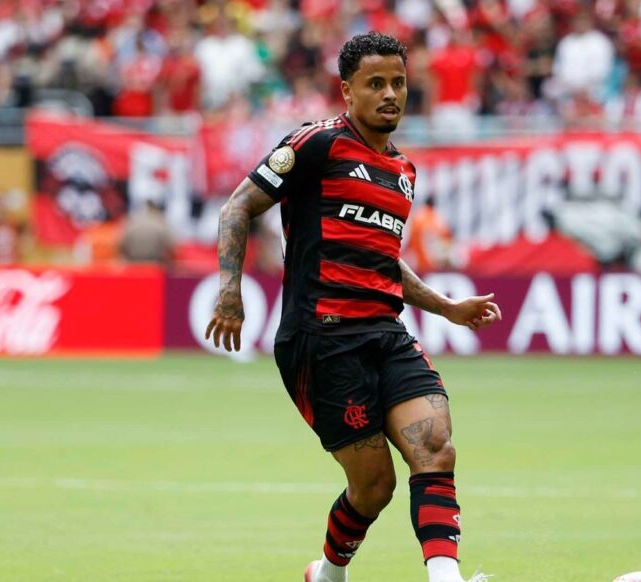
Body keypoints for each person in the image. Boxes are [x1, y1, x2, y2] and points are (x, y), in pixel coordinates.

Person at [204, 33, 500, 582]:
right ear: (347, 91)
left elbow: (384, 260)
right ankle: (328, 574)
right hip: (323, 340)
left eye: (399, 83)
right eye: (376, 83)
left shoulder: (403, 172)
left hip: (386, 335)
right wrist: (229, 291)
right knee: (374, 486)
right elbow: (237, 207)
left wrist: (446, 308)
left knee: (435, 447)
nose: (390, 94)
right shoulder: (316, 144)